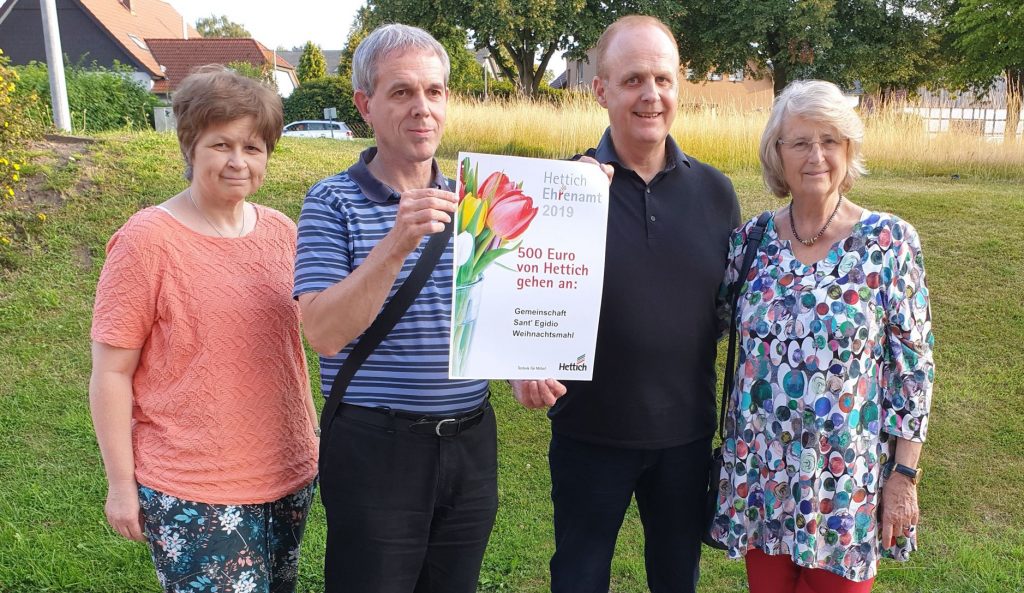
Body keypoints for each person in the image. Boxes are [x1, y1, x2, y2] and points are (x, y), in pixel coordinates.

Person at [512, 15, 741, 593]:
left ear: (679, 86)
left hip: (685, 435)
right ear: (600, 89)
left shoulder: (716, 192)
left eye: (663, 78)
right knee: (579, 577)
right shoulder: (559, 191)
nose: (651, 94)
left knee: (676, 579)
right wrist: (525, 364)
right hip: (590, 433)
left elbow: (728, 310)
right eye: (633, 78)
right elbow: (522, 308)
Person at [88, 66, 319, 593]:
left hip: (288, 476)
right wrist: (122, 486)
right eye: (222, 144)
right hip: (193, 489)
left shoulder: (282, 232)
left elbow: (300, 346)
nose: (238, 161)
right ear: (190, 145)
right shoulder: (148, 240)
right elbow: (111, 372)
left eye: (254, 147)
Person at [293, 24, 496, 593]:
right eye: (402, 92)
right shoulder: (331, 201)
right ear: (366, 105)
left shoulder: (478, 201)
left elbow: (499, 312)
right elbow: (323, 332)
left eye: (434, 92)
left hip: (470, 443)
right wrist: (397, 242)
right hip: (375, 447)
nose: (422, 109)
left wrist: (525, 365)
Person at [710, 79, 933, 593]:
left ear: (848, 149)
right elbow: (700, 326)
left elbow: (913, 368)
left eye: (829, 140)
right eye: (800, 142)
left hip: (844, 489)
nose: (816, 155)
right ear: (777, 155)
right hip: (762, 478)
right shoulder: (752, 242)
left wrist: (903, 476)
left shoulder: (888, 242)